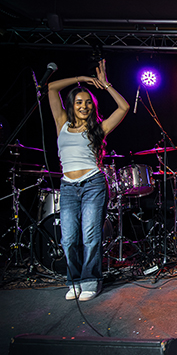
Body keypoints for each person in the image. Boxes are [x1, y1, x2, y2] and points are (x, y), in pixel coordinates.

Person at [48, 59, 129, 301]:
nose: (84, 106)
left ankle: (91, 280)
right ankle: (74, 280)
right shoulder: (61, 123)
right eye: (79, 102)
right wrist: (82, 79)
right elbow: (51, 87)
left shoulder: (98, 129)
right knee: (68, 239)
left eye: (88, 102)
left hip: (93, 184)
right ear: (72, 105)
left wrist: (106, 85)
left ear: (93, 106)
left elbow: (124, 107)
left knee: (91, 236)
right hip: (68, 186)